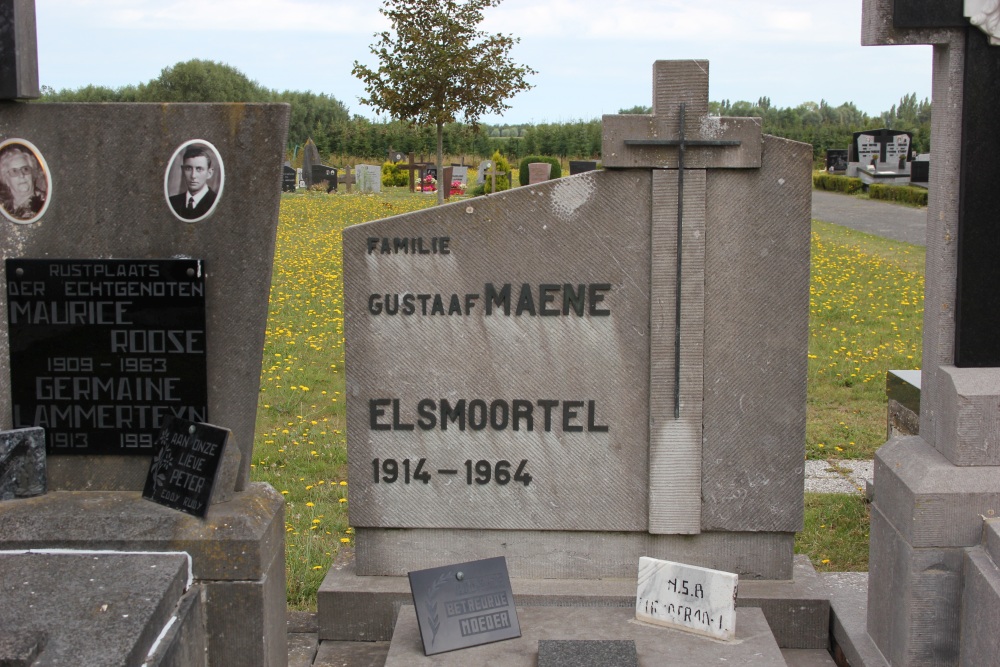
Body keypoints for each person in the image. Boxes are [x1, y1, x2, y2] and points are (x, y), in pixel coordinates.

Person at [169, 145, 217, 220]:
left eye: (199, 169)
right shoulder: (172, 202)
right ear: (182, 170)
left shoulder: (216, 202)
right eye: (188, 168)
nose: (193, 175)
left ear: (209, 173)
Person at [0, 145, 46, 221]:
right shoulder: (4, 206)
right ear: (6, 179)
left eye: (25, 169)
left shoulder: (43, 203)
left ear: (32, 174)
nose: (21, 175)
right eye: (14, 171)